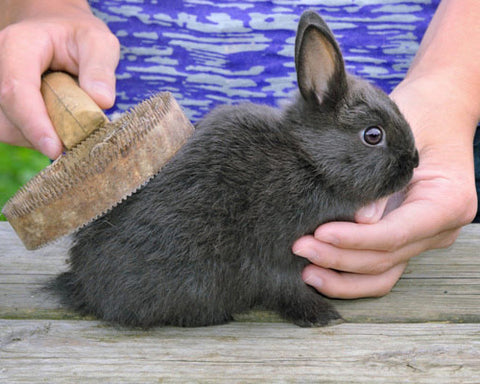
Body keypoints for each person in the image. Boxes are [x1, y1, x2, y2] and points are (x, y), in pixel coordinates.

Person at [1, 0, 479, 300]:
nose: (405, 162)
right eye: (373, 138)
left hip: (434, 86)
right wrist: (38, 8)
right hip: (131, 179)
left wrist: (453, 87)